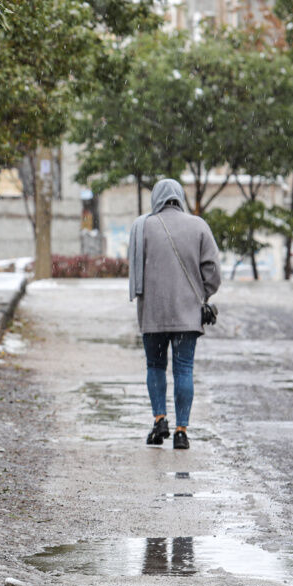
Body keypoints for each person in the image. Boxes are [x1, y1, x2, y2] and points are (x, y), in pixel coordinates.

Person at [126, 179, 221, 450]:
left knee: (155, 366)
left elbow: (133, 268)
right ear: (180, 197)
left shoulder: (142, 226)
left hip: (153, 313)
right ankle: (181, 431)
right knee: (184, 369)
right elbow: (212, 270)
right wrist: (204, 295)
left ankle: (159, 420)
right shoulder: (198, 226)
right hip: (187, 314)